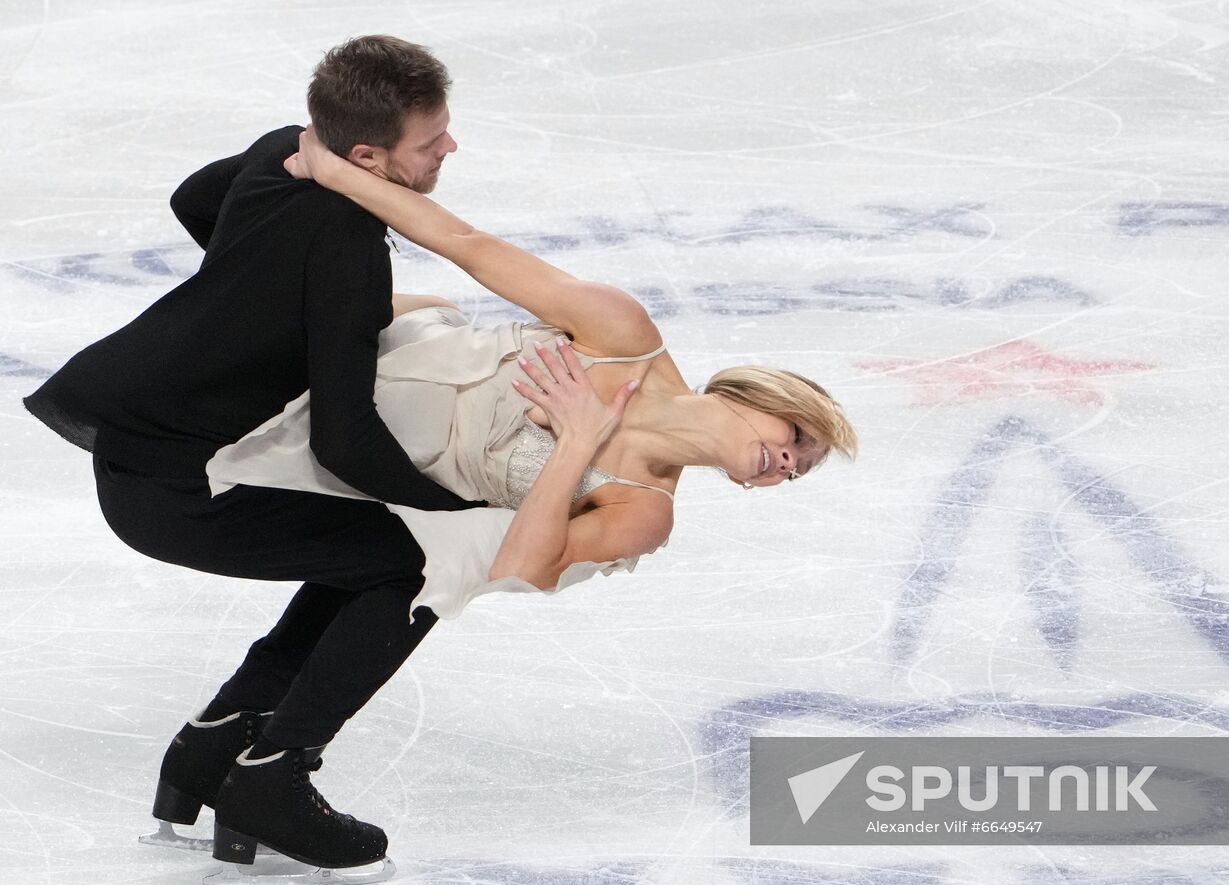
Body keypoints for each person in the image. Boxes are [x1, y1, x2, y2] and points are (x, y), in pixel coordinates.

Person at [22, 36, 471, 877]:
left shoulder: (285, 150)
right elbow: (347, 441)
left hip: (140, 452)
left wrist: (256, 296)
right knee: (416, 562)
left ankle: (215, 745)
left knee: (367, 550)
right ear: (366, 155)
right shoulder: (344, 253)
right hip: (180, 492)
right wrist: (460, 518)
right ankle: (275, 772)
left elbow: (195, 198)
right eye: (430, 140)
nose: (449, 147)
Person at [203, 126, 859, 631]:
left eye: (799, 468)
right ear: (760, 396)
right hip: (375, 349)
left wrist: (576, 443)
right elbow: (469, 244)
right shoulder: (624, 334)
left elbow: (522, 569)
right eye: (797, 436)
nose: (789, 463)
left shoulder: (643, 511)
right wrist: (338, 174)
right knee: (297, 272)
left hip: (361, 450)